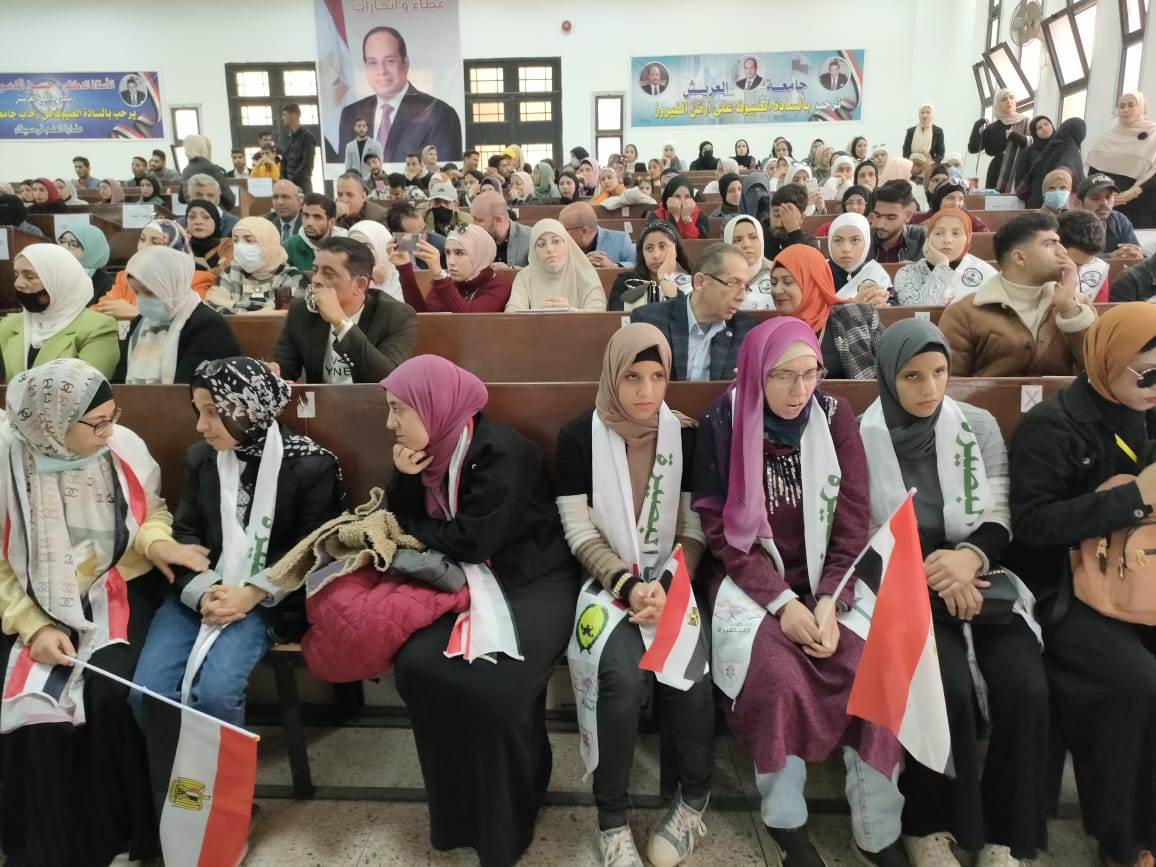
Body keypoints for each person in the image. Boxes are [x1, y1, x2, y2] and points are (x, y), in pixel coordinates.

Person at [693, 317, 907, 867]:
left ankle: (877, 828)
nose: (799, 391)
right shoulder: (723, 421)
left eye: (810, 374)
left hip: (830, 578)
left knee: (871, 667)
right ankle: (785, 822)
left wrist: (831, 601)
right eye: (783, 376)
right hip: (753, 579)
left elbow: (852, 524)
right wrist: (784, 605)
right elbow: (723, 538)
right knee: (776, 674)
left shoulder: (835, 417)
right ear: (756, 373)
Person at [0, 358, 207, 867]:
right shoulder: (7, 464)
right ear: (51, 424)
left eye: (113, 417)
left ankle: (127, 832)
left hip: (118, 584)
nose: (109, 431)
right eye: (96, 423)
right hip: (31, 598)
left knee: (110, 692)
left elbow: (150, 514)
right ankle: (51, 848)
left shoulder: (122, 446)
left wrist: (158, 545)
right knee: (31, 702)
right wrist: (35, 626)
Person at [859, 320, 1048, 867]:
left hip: (979, 572)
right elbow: (861, 532)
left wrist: (967, 560)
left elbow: (1000, 513)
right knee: (944, 686)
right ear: (888, 378)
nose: (930, 389)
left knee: (1025, 687)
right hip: (900, 580)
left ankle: (1006, 833)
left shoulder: (976, 425)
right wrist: (935, 575)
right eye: (913, 377)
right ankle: (930, 823)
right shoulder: (861, 435)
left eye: (939, 372)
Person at [380, 355, 579, 866]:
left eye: (399, 409)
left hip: (533, 579)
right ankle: (457, 819)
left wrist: (415, 529)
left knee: (499, 689)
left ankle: (509, 820)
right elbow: (399, 518)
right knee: (418, 666)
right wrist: (404, 480)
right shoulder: (427, 455)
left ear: (434, 405)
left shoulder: (501, 453)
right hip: (468, 578)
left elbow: (469, 540)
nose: (391, 423)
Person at [131, 357, 343, 809]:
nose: (202, 426)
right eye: (198, 411)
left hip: (266, 598)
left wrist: (252, 592)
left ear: (249, 408)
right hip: (201, 592)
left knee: (216, 692)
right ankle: (184, 808)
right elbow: (186, 532)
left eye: (213, 412)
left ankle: (228, 813)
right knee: (148, 692)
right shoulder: (202, 458)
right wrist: (204, 590)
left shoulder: (311, 464)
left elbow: (314, 549)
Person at [555, 324, 713, 867]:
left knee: (690, 673)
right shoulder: (578, 438)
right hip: (606, 584)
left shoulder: (684, 436)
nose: (647, 391)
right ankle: (612, 819)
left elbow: (693, 529)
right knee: (620, 678)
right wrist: (627, 585)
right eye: (632, 377)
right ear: (611, 376)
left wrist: (664, 587)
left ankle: (694, 797)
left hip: (671, 582)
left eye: (658, 376)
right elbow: (579, 531)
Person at [1006, 303, 1156, 867]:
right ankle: (1125, 839)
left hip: (1145, 574)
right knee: (1134, 683)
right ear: (1108, 361)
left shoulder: (1149, 415)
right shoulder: (1055, 425)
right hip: (1068, 588)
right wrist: (1133, 498)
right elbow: (1032, 525)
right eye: (1147, 374)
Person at [938, 212, 1096, 377]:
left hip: (1062, 395)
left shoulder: (1077, 304)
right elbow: (950, 383)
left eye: (1060, 243)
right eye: (1050, 244)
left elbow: (1098, 370)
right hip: (988, 395)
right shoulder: (963, 314)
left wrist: (1068, 307)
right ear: (1019, 258)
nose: (1063, 251)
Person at [275, 236, 416, 383]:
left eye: (328, 274)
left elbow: (387, 379)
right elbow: (284, 369)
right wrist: (274, 373)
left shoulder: (397, 316)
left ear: (359, 285)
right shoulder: (302, 310)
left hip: (371, 398)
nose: (316, 280)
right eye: (315, 271)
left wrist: (341, 323)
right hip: (320, 397)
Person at [630, 244, 756, 381]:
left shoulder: (746, 330)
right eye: (733, 283)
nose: (741, 297)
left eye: (746, 287)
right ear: (700, 282)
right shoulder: (650, 322)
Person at [114, 245, 238, 385]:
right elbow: (119, 381)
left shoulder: (209, 326)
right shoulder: (139, 323)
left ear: (172, 285)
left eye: (149, 292)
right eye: (136, 292)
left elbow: (189, 385)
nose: (142, 299)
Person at [336, 26, 463, 160]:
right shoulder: (350, 115)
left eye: (390, 61)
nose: (381, 71)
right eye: (372, 62)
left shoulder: (440, 114)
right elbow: (344, 169)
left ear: (405, 63)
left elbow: (445, 171)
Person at [1, 244, 119, 381]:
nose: (18, 283)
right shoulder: (8, 325)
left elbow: (88, 385)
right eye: (16, 275)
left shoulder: (97, 327)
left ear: (58, 279)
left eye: (30, 277)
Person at [772, 243, 882, 379]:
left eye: (787, 282)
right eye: (773, 283)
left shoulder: (858, 316)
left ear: (812, 282)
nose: (776, 290)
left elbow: (888, 369)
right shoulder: (771, 334)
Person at [894, 208, 997, 307]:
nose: (947, 240)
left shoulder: (985, 273)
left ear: (968, 239)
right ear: (928, 238)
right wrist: (942, 266)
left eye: (956, 233)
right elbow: (919, 313)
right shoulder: (907, 273)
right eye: (938, 233)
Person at [395, 222, 508, 313]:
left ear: (480, 255)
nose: (451, 261)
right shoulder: (445, 284)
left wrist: (440, 276)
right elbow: (423, 317)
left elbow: (468, 321)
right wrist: (405, 270)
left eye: (460, 253)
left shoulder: (499, 287)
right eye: (448, 253)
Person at [207, 217, 308, 313]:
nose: (240, 247)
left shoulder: (292, 276)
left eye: (248, 240)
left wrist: (229, 303)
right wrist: (260, 311)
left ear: (268, 243)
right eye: (236, 240)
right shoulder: (230, 273)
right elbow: (212, 310)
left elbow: (281, 313)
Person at [1086, 90, 1156, 229]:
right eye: (1122, 106)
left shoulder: (1153, 134)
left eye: (1131, 105)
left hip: (1142, 204)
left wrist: (1134, 192)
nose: (1125, 109)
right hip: (1107, 205)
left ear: (1141, 107)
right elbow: (1093, 174)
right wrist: (1104, 196)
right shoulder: (1106, 138)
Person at [506, 219, 607, 311]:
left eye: (556, 241)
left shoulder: (585, 273)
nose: (550, 249)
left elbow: (598, 310)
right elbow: (512, 311)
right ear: (534, 251)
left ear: (566, 244)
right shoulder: (524, 276)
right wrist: (539, 312)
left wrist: (569, 311)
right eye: (541, 244)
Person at [609, 222, 694, 312]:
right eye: (649, 248)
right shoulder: (626, 282)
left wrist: (664, 279)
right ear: (642, 253)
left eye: (662, 247)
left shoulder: (690, 282)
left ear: (675, 250)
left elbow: (683, 315)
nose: (656, 256)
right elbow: (618, 316)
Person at [1013, 117, 1085, 209]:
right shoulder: (1028, 152)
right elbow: (1020, 181)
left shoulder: (1064, 148)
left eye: (1046, 124)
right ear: (1034, 133)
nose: (1044, 128)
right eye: (1039, 128)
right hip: (1037, 203)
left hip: (1062, 202)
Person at [967, 89, 1029, 193]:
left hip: (1020, 168)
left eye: (1011, 97)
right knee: (994, 201)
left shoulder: (1026, 122)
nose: (1008, 101)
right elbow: (973, 148)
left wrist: (1018, 137)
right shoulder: (993, 127)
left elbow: (1034, 144)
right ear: (998, 104)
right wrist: (976, 127)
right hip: (997, 171)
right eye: (1004, 99)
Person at [828, 212, 893, 306]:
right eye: (838, 240)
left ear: (866, 243)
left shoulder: (876, 273)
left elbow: (893, 305)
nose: (846, 249)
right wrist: (856, 303)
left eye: (855, 240)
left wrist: (884, 306)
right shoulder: (819, 272)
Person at [1076, 174, 1146, 259]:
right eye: (1095, 198)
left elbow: (1135, 256)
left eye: (1108, 197)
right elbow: (1069, 259)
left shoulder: (1119, 220)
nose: (1104, 203)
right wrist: (1110, 257)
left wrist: (1135, 255)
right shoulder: (1068, 224)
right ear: (1079, 203)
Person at [559, 201, 636, 268]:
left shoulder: (621, 239)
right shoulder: (558, 244)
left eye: (564, 229)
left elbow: (637, 265)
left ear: (584, 231)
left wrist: (613, 266)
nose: (560, 233)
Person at [1057, 209, 1111, 303]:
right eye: (1074, 263)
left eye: (1087, 264)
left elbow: (1099, 308)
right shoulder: (1039, 271)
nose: (1077, 270)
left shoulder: (1100, 269)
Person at [723, 215, 774, 311]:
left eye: (753, 237)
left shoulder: (776, 272)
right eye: (738, 240)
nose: (746, 245)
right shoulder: (719, 278)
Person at [469, 190, 530, 267]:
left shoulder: (531, 239)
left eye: (479, 220)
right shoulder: (471, 238)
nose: (473, 225)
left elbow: (540, 272)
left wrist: (509, 271)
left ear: (498, 220)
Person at [285, 193, 342, 272]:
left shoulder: (345, 246)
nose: (309, 223)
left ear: (331, 222)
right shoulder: (289, 246)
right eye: (306, 215)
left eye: (317, 217)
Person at [57, 222, 113, 303]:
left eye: (74, 244)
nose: (63, 247)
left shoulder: (106, 283)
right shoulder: (53, 272)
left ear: (92, 250)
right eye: (62, 241)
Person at [870, 183, 926, 263]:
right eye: (877, 215)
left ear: (908, 216)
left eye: (890, 218)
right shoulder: (862, 238)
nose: (880, 224)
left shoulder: (922, 239)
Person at [178, 135, 235, 210]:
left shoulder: (186, 170)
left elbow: (181, 198)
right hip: (214, 212)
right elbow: (230, 199)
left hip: (195, 211)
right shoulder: (211, 168)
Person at [763, 184, 819, 260]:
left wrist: (794, 234)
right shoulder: (757, 236)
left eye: (789, 218)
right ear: (769, 213)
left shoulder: (809, 243)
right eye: (777, 215)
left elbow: (798, 265)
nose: (780, 223)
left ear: (801, 218)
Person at [910, 179, 989, 232]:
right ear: (939, 200)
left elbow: (985, 235)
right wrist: (920, 228)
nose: (956, 204)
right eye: (950, 198)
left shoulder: (968, 218)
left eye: (960, 199)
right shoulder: (919, 219)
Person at [185, 199, 228, 273]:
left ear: (216, 221)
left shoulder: (227, 247)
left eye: (206, 217)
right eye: (192, 217)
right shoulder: (181, 248)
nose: (198, 222)